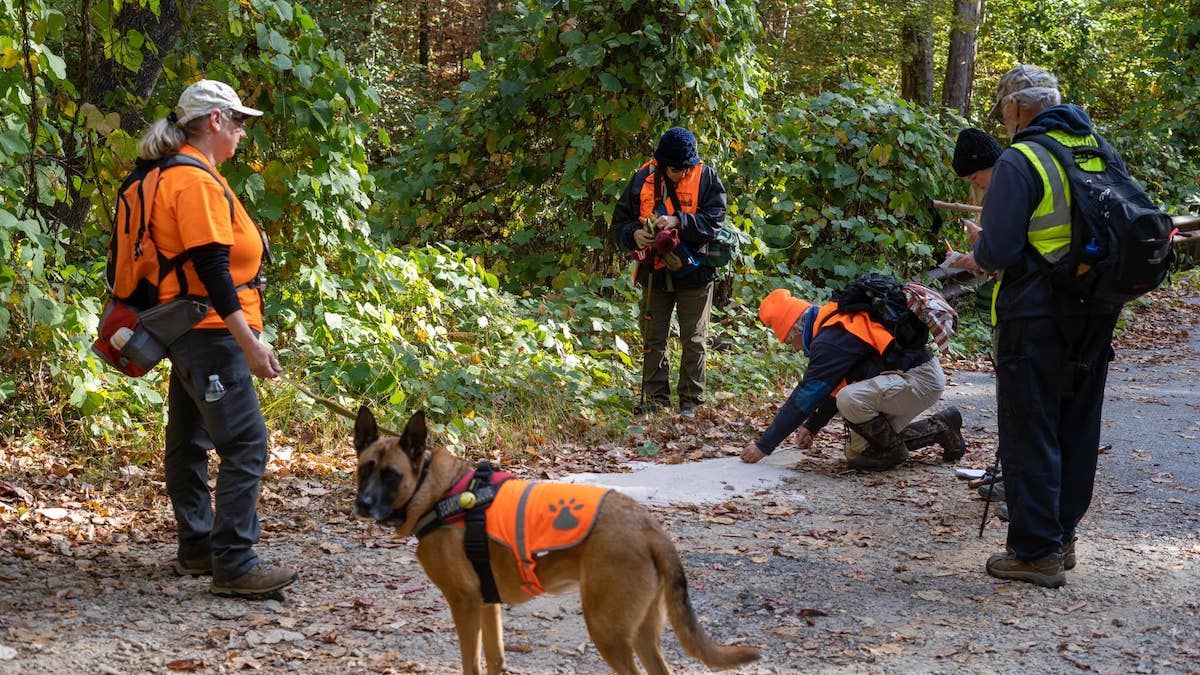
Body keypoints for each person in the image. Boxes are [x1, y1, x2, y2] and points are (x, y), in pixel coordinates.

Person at [953, 65, 1124, 588]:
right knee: (1076, 425)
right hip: (1096, 313)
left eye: (1004, 111)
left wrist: (976, 250)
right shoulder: (1099, 151)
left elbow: (1001, 250)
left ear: (1015, 108)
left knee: (1031, 430)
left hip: (1036, 314)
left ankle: (1033, 552)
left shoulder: (1022, 158)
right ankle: (1063, 537)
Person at [136, 79, 296, 597]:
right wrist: (248, 341)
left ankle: (198, 547)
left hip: (188, 329)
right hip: (209, 331)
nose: (243, 132)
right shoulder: (195, 182)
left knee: (188, 441)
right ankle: (233, 561)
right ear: (214, 122)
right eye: (239, 121)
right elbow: (212, 268)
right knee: (246, 443)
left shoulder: (178, 173)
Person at [739, 287, 964, 470]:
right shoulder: (833, 323)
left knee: (849, 399)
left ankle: (891, 452)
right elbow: (833, 383)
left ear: (795, 330)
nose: (795, 349)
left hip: (918, 378)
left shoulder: (831, 338)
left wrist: (764, 446)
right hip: (910, 378)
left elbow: (808, 393)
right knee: (858, 451)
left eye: (790, 342)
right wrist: (812, 427)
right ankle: (942, 427)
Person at [612, 127, 727, 418]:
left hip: (696, 272)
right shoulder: (642, 178)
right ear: (663, 164)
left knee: (694, 340)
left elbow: (715, 222)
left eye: (685, 168)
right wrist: (635, 235)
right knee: (653, 338)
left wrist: (679, 220)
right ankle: (654, 401)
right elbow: (619, 223)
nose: (681, 174)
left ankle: (691, 402)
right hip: (655, 272)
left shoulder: (707, 178)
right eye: (675, 169)